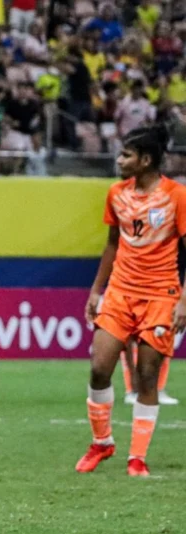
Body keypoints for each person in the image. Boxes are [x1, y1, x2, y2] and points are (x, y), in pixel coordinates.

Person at [79, 124, 186, 477]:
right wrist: (97, 290)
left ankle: (136, 457)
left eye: (126, 155)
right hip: (121, 291)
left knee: (147, 375)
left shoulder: (176, 196)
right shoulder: (116, 194)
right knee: (99, 367)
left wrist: (183, 300)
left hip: (160, 294)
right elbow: (112, 243)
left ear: (145, 160)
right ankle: (102, 442)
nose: (119, 160)